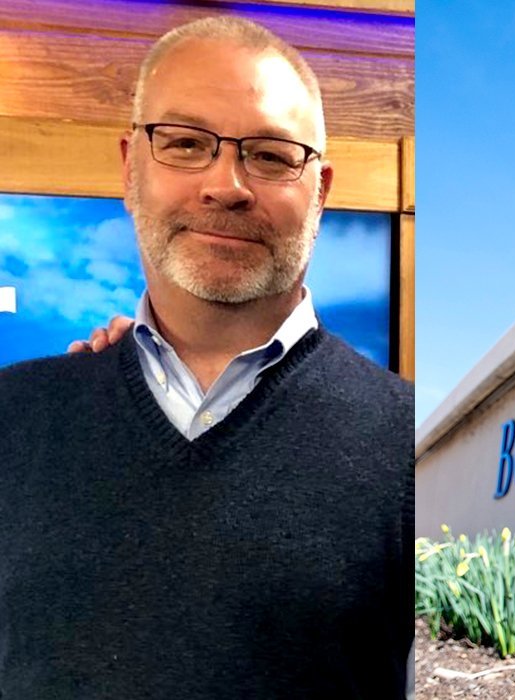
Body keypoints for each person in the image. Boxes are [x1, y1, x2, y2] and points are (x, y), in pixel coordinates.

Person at [0, 16, 413, 699]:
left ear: (320, 189)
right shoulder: (15, 415)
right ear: (130, 166)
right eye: (186, 143)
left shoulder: (411, 446)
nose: (227, 185)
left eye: (272, 155)